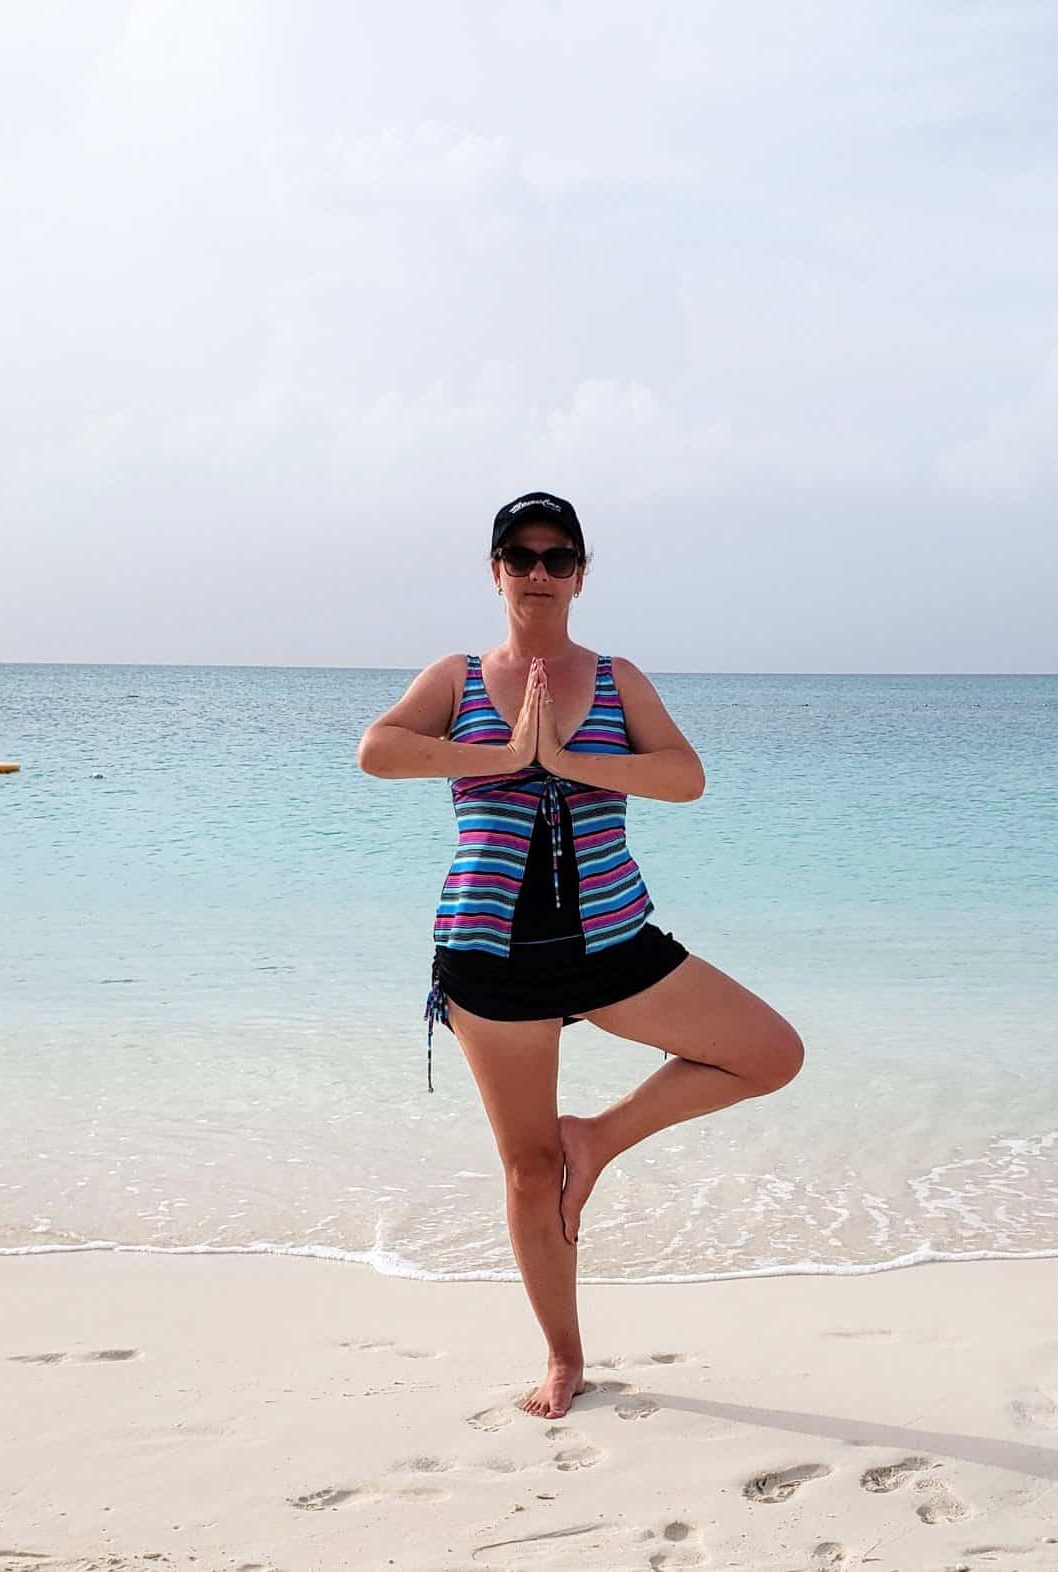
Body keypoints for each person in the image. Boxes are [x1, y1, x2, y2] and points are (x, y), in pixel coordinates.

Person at [357, 491, 804, 1420]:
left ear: (582, 574)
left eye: (559, 558)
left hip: (612, 936)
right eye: (520, 556)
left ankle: (596, 1139)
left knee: (770, 1053)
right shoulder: (457, 676)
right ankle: (564, 1359)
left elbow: (685, 777)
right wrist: (505, 752)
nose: (539, 573)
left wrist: (569, 761)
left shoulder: (616, 678)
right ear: (496, 571)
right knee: (527, 1169)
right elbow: (379, 752)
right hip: (491, 949)